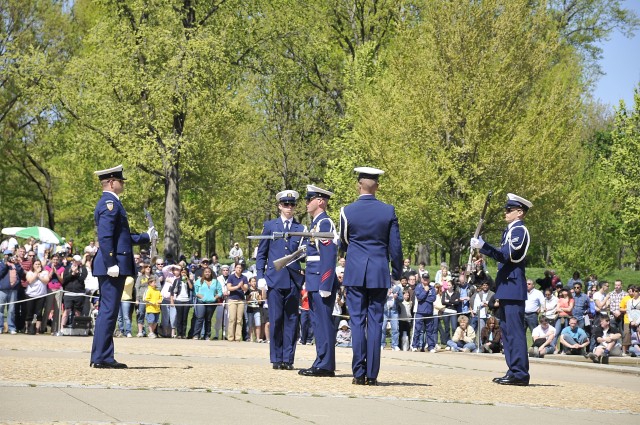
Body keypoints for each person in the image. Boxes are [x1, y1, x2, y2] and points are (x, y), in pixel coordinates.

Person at [339, 167, 403, 386]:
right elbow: (395, 246)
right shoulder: (388, 211)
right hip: (378, 272)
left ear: (359, 184)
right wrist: (397, 272)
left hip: (355, 271)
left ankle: (358, 372)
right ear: (377, 185)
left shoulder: (346, 211)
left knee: (357, 322)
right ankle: (372, 374)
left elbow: (345, 241)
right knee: (375, 322)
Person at [90, 164, 152, 368]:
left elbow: (122, 237)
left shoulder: (113, 203)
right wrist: (111, 262)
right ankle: (102, 358)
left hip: (114, 262)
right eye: (120, 181)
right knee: (108, 311)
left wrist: (146, 237)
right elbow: (105, 235)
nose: (122, 184)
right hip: (112, 265)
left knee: (109, 311)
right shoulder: (109, 203)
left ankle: (102, 356)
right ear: (110, 182)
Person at [471, 193, 532, 386]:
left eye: (509, 210)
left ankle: (521, 373)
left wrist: (485, 246)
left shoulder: (520, 230)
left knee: (515, 332)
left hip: (513, 287)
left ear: (519, 212)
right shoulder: (509, 231)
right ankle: (513, 370)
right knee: (507, 332)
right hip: (507, 287)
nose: (505, 213)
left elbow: (508, 256)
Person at [256, 190, 306, 370]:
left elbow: (304, 256)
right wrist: (260, 277)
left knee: (292, 320)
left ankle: (288, 358)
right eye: (286, 204)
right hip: (275, 280)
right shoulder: (270, 226)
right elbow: (262, 254)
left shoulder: (300, 229)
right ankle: (276, 358)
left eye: (292, 205)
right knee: (276, 320)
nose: (289, 208)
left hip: (293, 280)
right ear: (279, 206)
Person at [298, 185, 340, 377]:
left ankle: (325, 364)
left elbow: (329, 255)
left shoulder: (324, 224)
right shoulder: (316, 224)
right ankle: (321, 361)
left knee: (323, 323)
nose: (306, 203)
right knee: (318, 324)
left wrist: (325, 283)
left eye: (310, 199)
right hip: (314, 281)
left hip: (321, 283)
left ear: (320, 201)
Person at [0, 252, 25, 334]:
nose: (10, 257)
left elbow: (22, 274)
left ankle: (11, 327)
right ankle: (0, 327)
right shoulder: (1, 263)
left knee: (12, 310)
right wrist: (5, 264)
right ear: (4, 256)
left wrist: (17, 263)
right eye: (8, 255)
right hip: (3, 289)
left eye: (11, 255)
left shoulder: (16, 264)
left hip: (14, 289)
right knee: (1, 309)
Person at [411, 275, 437, 353]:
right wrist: (425, 291)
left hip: (429, 312)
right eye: (424, 278)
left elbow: (433, 298)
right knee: (417, 330)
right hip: (420, 312)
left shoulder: (432, 288)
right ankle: (414, 346)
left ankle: (431, 346)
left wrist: (424, 298)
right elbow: (419, 297)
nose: (426, 280)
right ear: (422, 279)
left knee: (430, 331)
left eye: (427, 278)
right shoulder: (418, 287)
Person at [61, 255, 87, 328]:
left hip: (79, 293)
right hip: (68, 293)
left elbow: (82, 279)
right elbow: (65, 280)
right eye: (74, 260)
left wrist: (77, 273)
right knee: (66, 311)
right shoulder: (67, 269)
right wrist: (72, 274)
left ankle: (77, 328)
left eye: (76, 261)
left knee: (77, 312)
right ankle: (62, 329)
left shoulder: (83, 269)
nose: (75, 262)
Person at [227, 263, 248, 342]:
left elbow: (245, 289)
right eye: (237, 267)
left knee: (239, 320)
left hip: (241, 300)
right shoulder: (231, 277)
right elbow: (229, 287)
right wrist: (237, 286)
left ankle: (238, 337)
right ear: (235, 268)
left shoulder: (244, 277)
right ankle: (230, 337)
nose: (239, 269)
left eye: (240, 268)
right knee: (232, 319)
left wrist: (242, 286)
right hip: (232, 299)